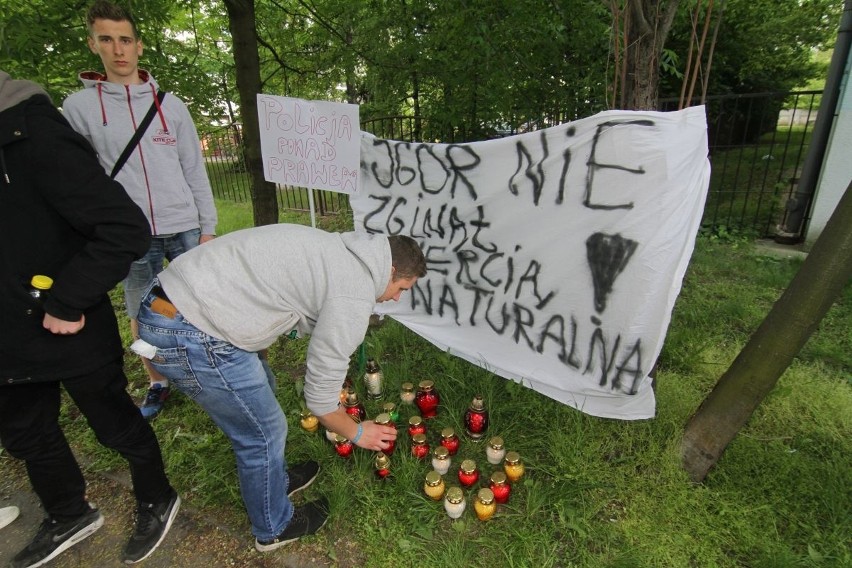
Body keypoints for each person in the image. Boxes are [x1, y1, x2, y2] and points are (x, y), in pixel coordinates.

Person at [134, 224, 426, 551]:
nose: (397, 297)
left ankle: (274, 482)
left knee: (265, 388)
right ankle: (273, 527)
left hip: (165, 301)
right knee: (263, 432)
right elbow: (320, 400)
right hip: (188, 329)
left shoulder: (342, 249)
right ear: (388, 270)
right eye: (402, 287)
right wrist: (358, 433)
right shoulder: (353, 291)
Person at [0, 71, 180, 566]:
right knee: (27, 435)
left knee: (114, 423)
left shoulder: (34, 135)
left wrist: (66, 300)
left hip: (65, 327)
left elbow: (123, 228)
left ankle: (156, 494)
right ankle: (67, 512)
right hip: (6, 339)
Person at [63, 0, 218, 420]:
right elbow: (81, 180)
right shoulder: (79, 108)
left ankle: (205, 369)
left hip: (184, 225)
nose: (118, 49)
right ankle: (158, 380)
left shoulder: (171, 105)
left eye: (125, 40)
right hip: (129, 233)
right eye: (107, 39)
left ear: (139, 46)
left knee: (200, 301)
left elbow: (194, 168)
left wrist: (208, 226)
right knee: (142, 309)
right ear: (93, 44)